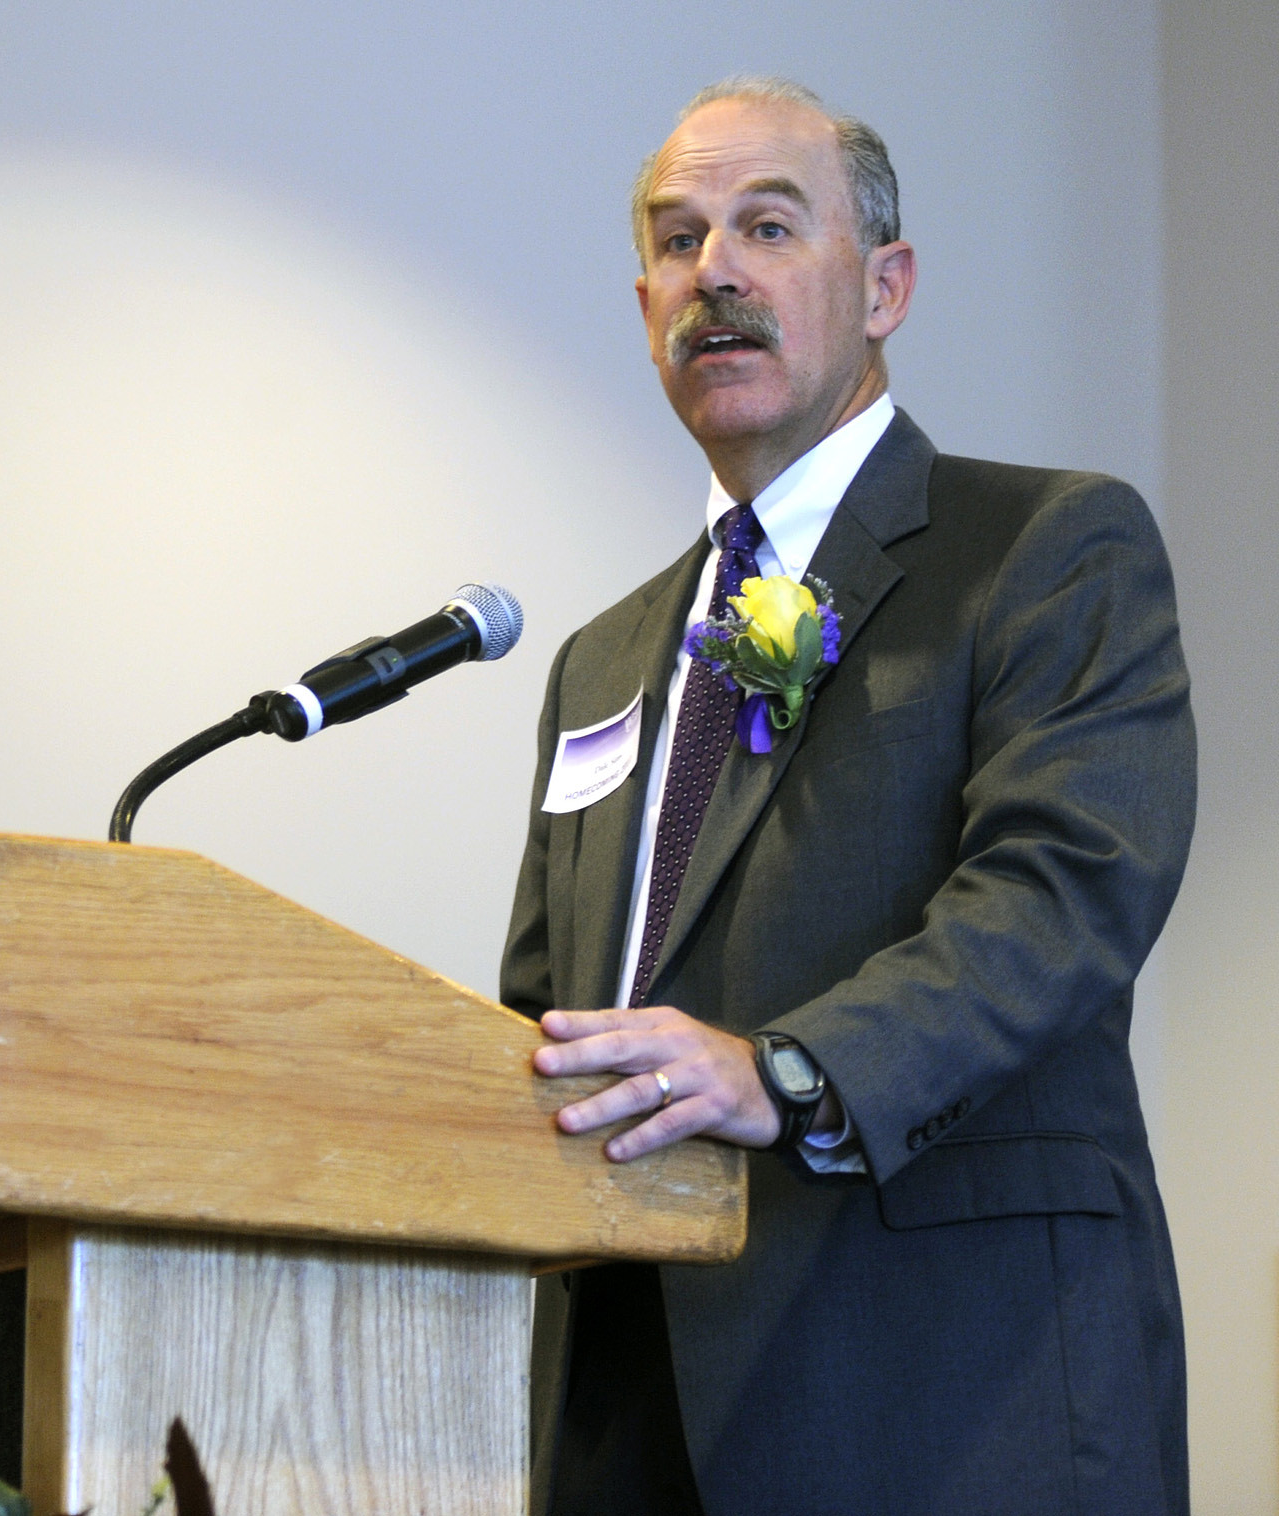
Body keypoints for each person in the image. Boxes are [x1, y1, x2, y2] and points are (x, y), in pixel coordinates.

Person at [501, 77, 1195, 1516]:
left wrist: (786, 1070)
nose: (719, 274)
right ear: (643, 307)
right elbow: (543, 1009)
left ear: (884, 287)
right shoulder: (599, 665)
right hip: (626, 1417)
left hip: (942, 1391)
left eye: (767, 225)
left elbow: (1062, 897)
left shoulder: (1047, 546)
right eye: (680, 242)